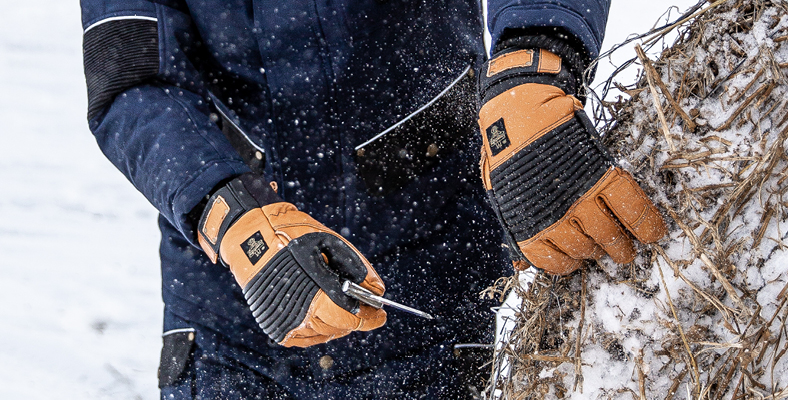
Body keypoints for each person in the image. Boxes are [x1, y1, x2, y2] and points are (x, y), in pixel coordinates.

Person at [79, 0, 664, 398]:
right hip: (232, 319)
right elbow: (131, 79)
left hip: (432, 288)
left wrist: (534, 56)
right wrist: (231, 213)